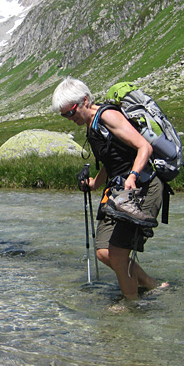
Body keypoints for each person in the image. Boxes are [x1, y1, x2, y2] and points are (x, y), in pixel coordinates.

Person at [52, 77, 167, 301]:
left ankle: (130, 305)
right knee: (104, 252)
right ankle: (152, 286)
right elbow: (113, 159)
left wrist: (132, 177)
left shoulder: (108, 116)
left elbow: (145, 147)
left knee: (117, 253)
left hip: (141, 188)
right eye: (64, 115)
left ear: (85, 100)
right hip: (118, 192)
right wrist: (95, 183)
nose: (69, 118)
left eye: (71, 112)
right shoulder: (92, 126)